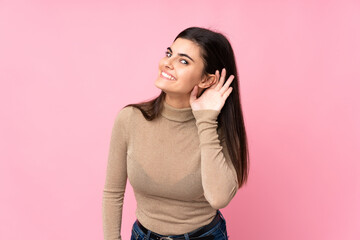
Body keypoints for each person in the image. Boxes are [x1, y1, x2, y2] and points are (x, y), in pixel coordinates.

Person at [102, 26, 249, 240]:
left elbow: (218, 198)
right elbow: (112, 194)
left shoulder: (217, 129)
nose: (167, 63)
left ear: (207, 80)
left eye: (184, 61)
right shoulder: (130, 119)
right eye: (169, 53)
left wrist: (205, 121)